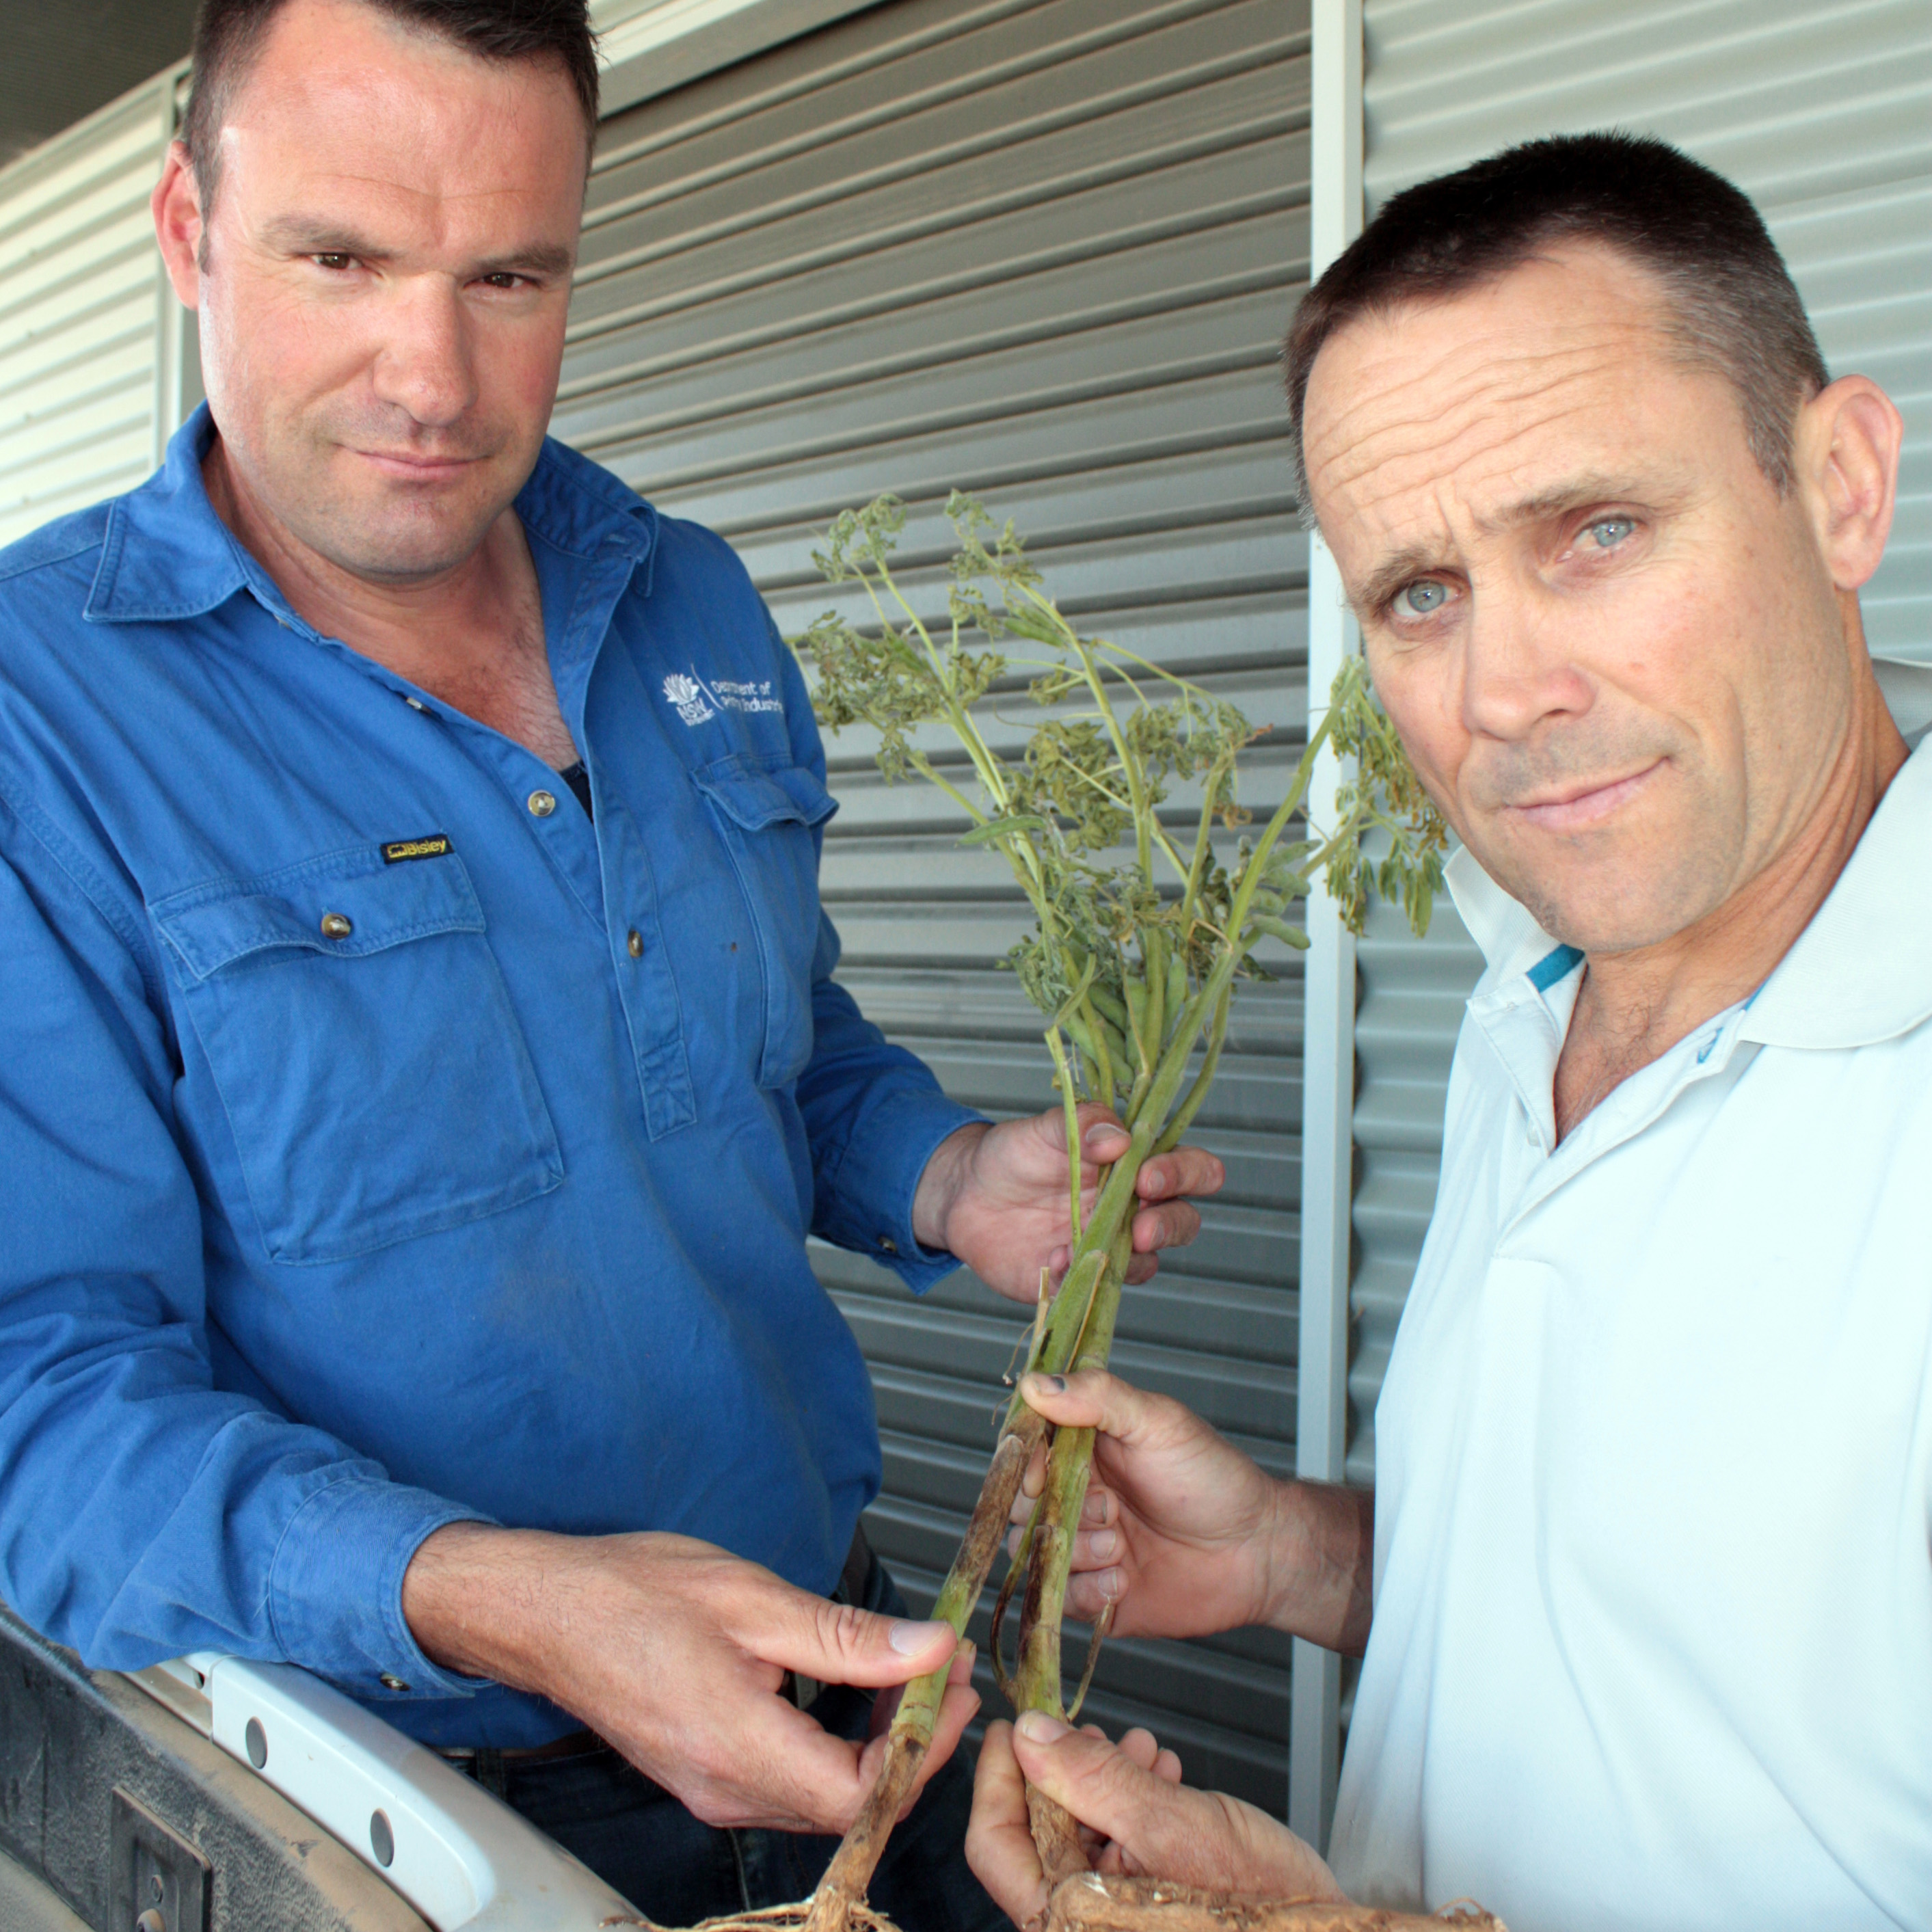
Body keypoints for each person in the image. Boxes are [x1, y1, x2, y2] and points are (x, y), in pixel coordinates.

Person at [0, 2, 1226, 1923]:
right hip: (408, 1803)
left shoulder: (685, 596)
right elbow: (38, 1399)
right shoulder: (40, 714)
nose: (433, 371)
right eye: (342, 259)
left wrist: (937, 1169)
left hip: (852, 1686)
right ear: (186, 232)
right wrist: (518, 1601)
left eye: (509, 275)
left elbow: (762, 1038)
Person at [965, 133, 1932, 1932]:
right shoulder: (1535, 991)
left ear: (1840, 488)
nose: (1500, 695)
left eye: (1598, 532)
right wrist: (1294, 1552)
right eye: (1418, 592)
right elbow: (1686, 1636)